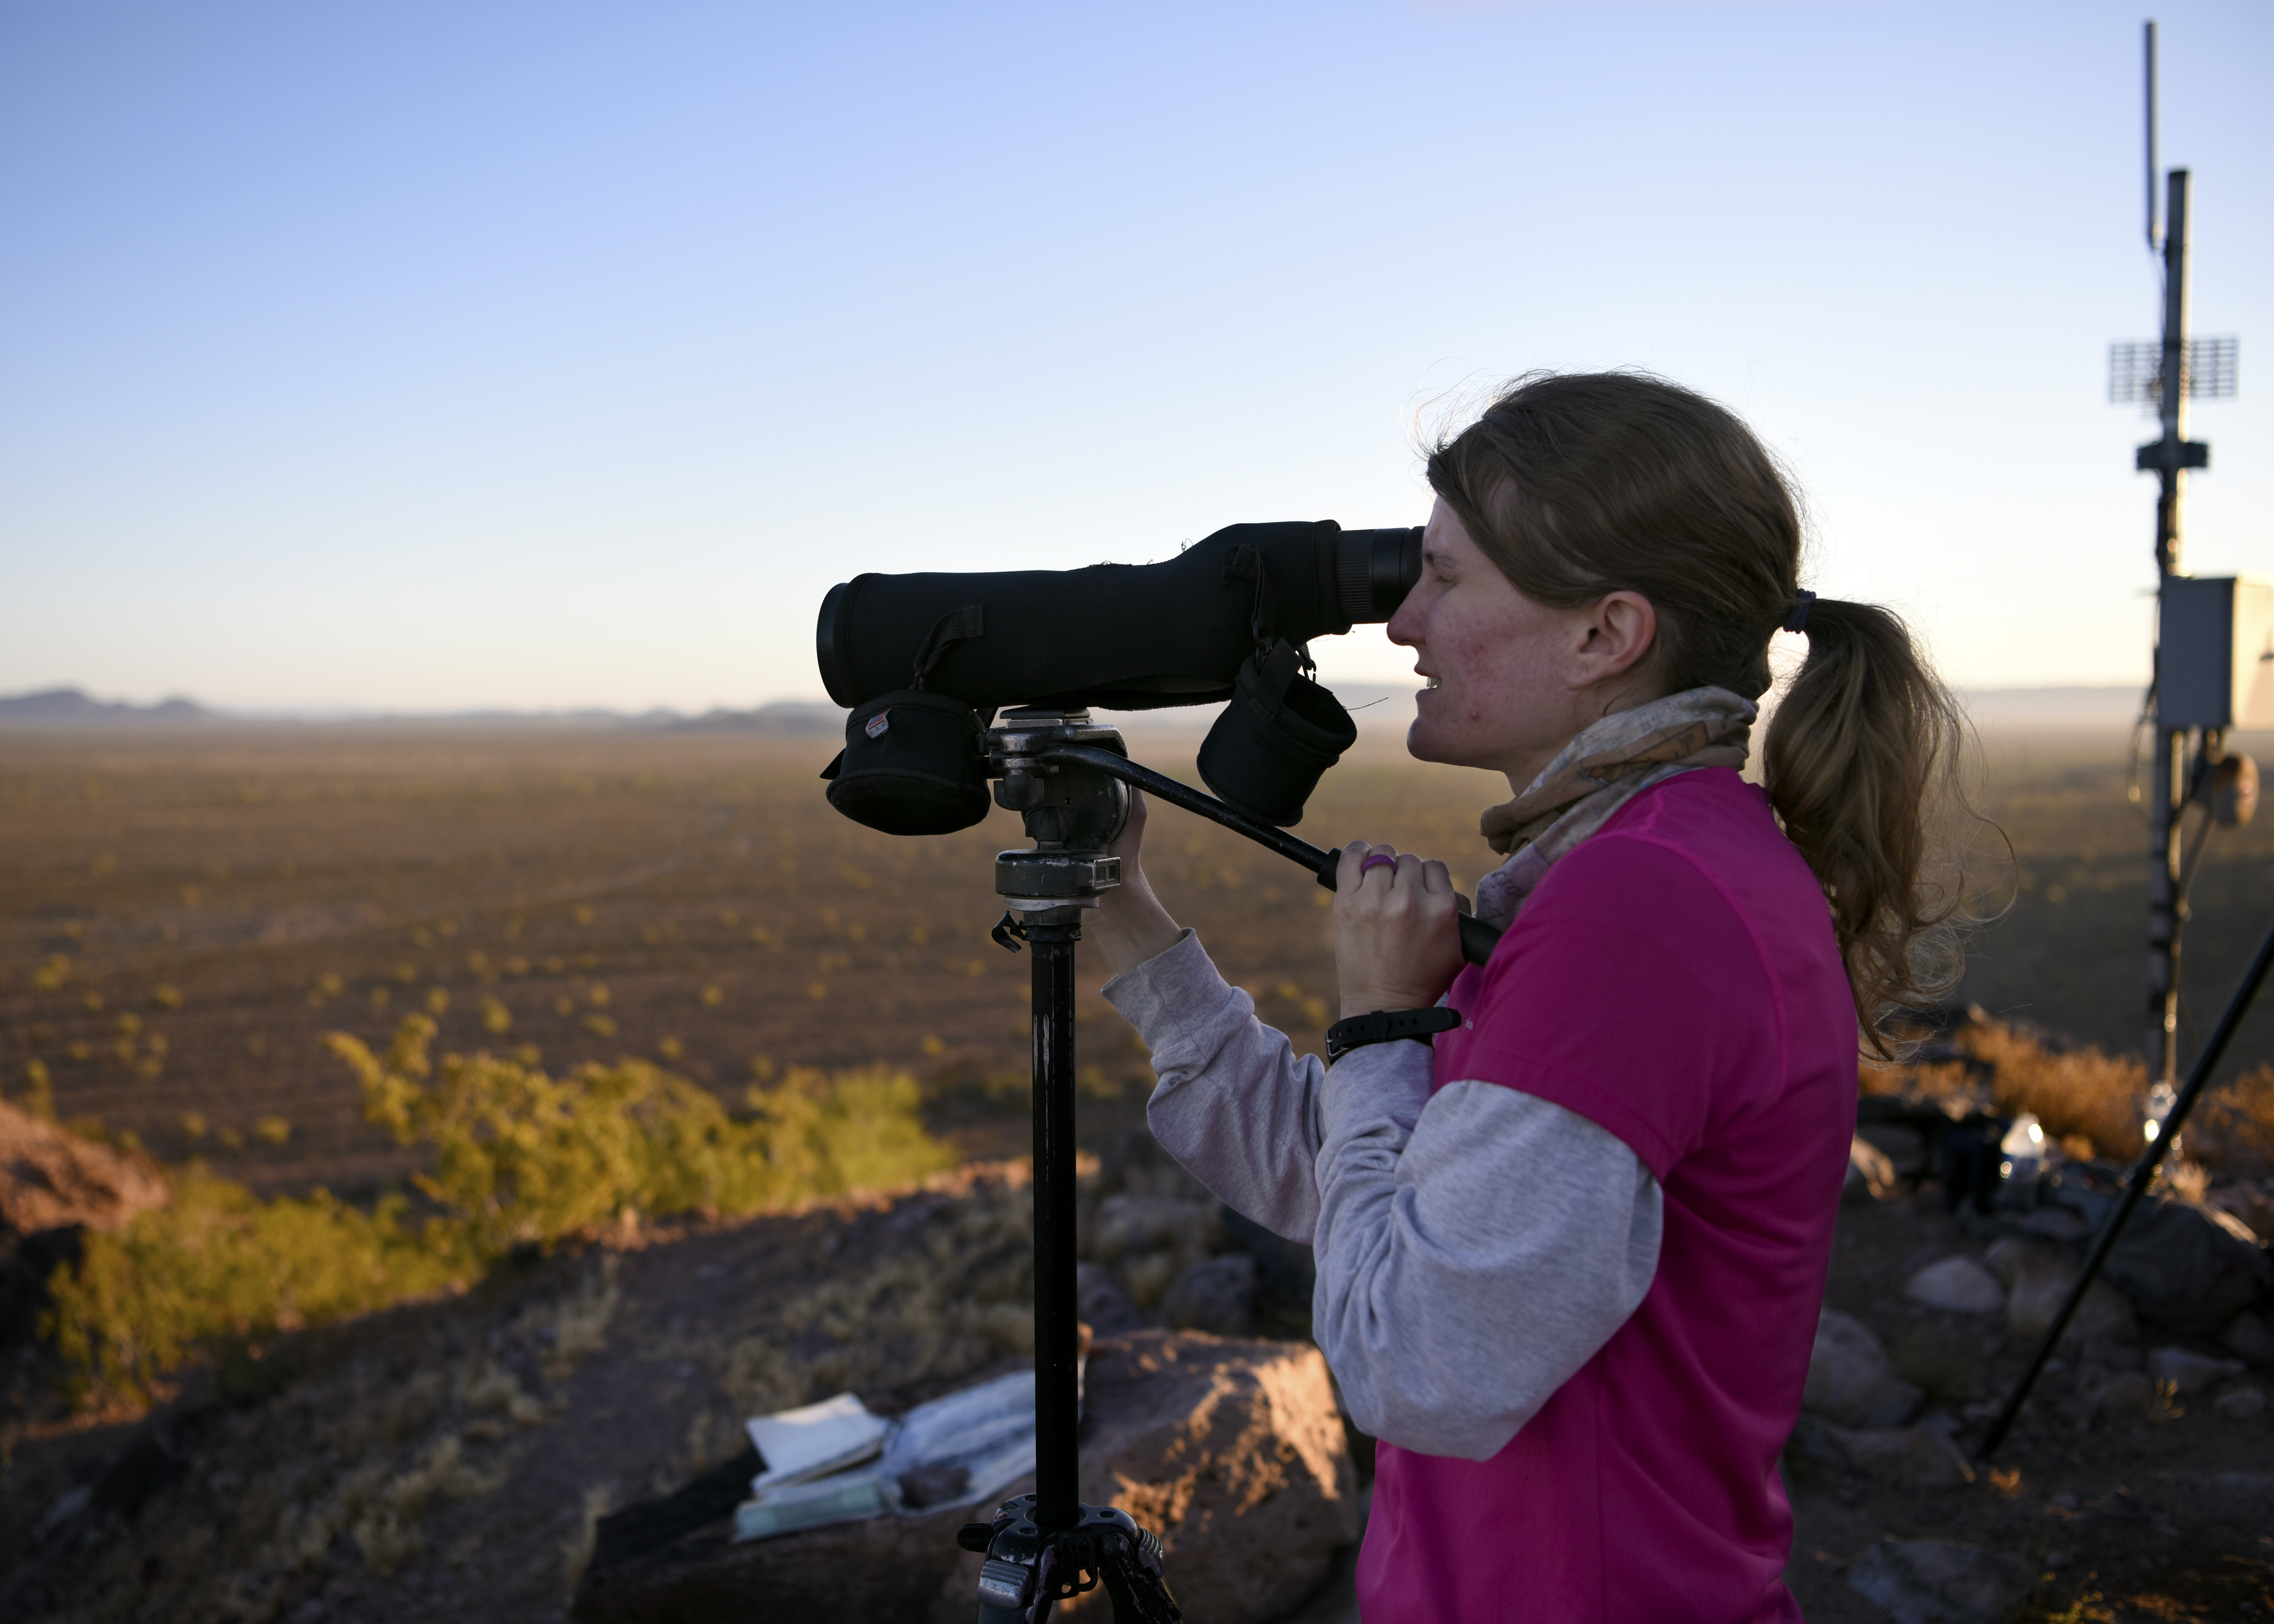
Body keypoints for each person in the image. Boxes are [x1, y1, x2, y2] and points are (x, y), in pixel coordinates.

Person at [1085, 371, 1966, 1623]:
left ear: (1605, 636)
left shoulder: (1639, 911)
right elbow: (1374, 1199)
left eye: (1445, 576)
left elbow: (1418, 1360)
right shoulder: (1644, 865)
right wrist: (1130, 920)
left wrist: (1387, 1027)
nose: (1401, 626)